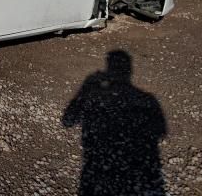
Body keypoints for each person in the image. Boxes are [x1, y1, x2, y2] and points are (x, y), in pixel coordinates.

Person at [62, 50, 167, 195]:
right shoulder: (147, 99)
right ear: (129, 70)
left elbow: (68, 121)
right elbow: (160, 132)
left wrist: (85, 89)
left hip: (96, 170)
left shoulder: (95, 97)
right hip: (137, 171)